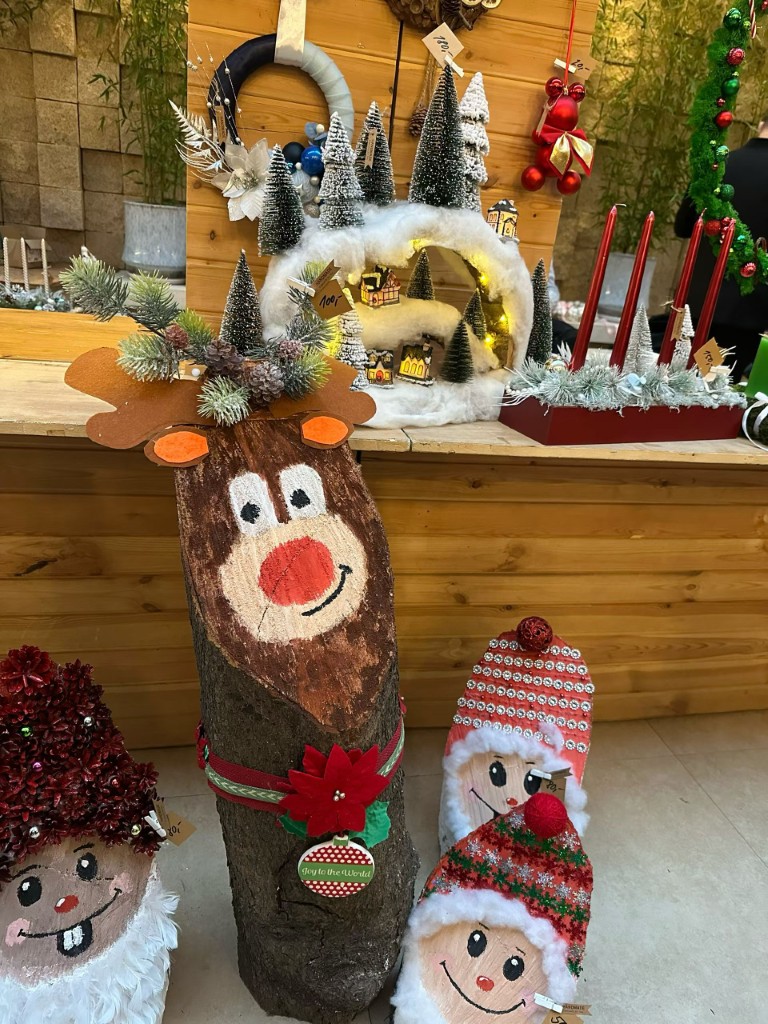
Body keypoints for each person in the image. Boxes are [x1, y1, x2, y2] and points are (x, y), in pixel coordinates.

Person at [674, 113, 768, 381]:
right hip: (752, 314)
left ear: (760, 124)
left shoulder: (719, 165)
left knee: (689, 385)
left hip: (699, 305)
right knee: (724, 392)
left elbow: (683, 226)